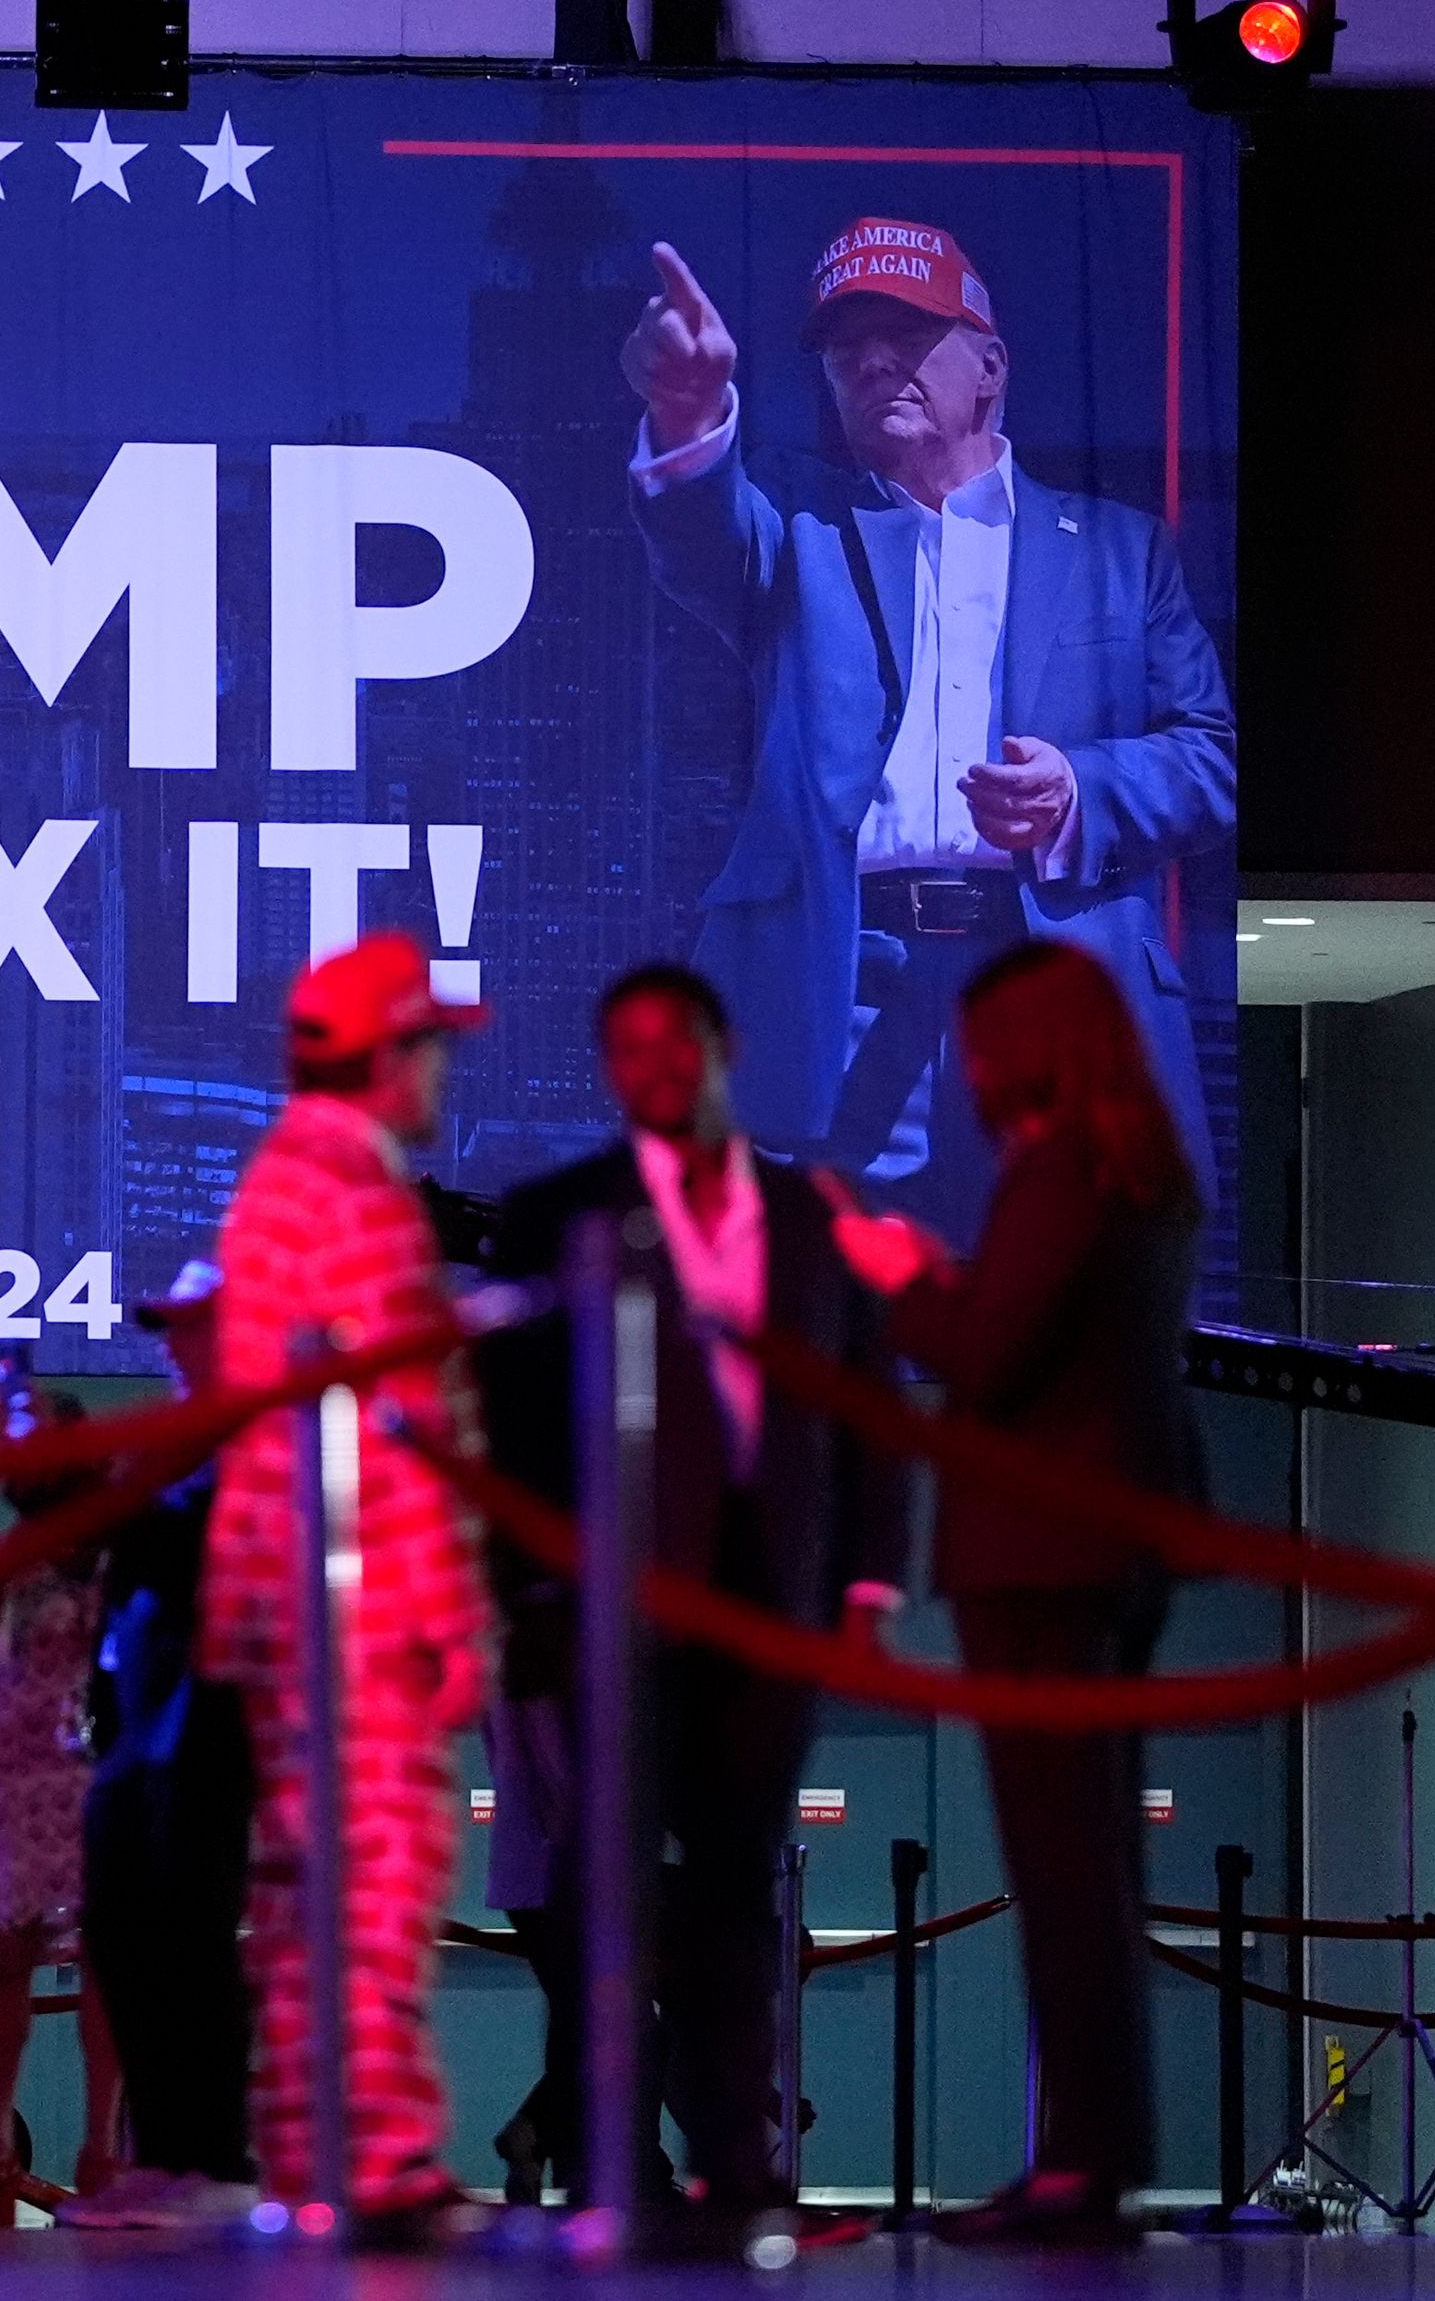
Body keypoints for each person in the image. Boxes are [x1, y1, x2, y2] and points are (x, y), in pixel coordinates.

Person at [622, 217, 1235, 1230]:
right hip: (848, 984)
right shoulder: (796, 520)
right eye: (846, 348)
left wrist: (1082, 785)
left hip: (1049, 979)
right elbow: (698, 532)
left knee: (1058, 1325)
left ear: (989, 365)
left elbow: (1210, 755)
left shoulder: (1121, 554)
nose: (871, 361)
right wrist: (686, 413)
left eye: (904, 336)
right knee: (842, 1331)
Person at [478, 963, 907, 2236]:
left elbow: (862, 1416)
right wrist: (516, 1605)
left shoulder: (808, 1213)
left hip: (763, 1605)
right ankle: (611, 2167)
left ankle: (738, 2174)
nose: (651, 1072)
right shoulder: (558, 1212)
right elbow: (505, 1434)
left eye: (672, 1045)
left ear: (720, 1046)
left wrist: (869, 1578)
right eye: (626, 1051)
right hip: (600, 1618)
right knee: (599, 1898)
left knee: (734, 1896)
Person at [827, 938, 1205, 2246]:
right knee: (1087, 1876)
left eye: (981, 1042)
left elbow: (990, 1355)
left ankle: (1080, 2171)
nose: (968, 1069)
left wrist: (899, 1283)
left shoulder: (1062, 1174)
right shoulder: (1145, 1175)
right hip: (1108, 1553)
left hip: (1041, 1562)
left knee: (1064, 1879)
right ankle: (1096, 2159)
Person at [199, 931, 493, 2236]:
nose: (441, 1072)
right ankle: (372, 2159)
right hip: (356, 1603)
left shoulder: (284, 1179)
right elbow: (400, 1436)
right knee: (376, 1875)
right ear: (386, 1056)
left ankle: (321, 2152)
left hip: (295, 1592)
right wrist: (445, 1616)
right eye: (429, 1044)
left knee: (311, 1888)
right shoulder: (354, 1194)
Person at [58, 1262, 261, 2232]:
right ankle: (168, 2152)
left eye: (193, 1326)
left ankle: (212, 2156)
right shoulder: (176, 1434)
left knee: (190, 1935)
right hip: (141, 1715)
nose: (173, 1343)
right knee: (127, 1929)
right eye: (172, 1327)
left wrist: (111, 1490)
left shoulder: (265, 1428)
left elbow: (201, 1545)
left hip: (212, 1705)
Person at [0, 1378, 120, 2227]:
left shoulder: (119, 1553)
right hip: (18, 1764)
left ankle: (102, 2149)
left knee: (106, 1954)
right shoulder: (3, 1558)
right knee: (12, 1950)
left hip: (101, 1758)